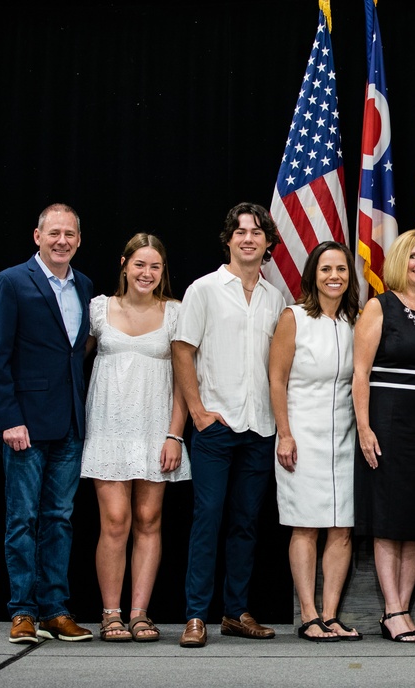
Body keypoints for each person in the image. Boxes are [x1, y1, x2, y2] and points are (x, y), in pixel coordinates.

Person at [0, 203, 94, 643]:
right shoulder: (11, 282)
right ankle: (23, 612)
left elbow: (74, 353)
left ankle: (56, 610)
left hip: (69, 423)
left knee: (60, 519)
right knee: (22, 519)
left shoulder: (84, 285)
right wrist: (9, 418)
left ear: (79, 240)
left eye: (70, 234)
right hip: (24, 425)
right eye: (54, 233)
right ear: (37, 236)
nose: (62, 240)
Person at [173, 203, 285, 648]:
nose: (248, 239)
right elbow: (183, 350)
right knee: (207, 519)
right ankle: (196, 615)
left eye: (257, 232)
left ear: (268, 243)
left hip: (259, 427)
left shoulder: (276, 299)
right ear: (229, 239)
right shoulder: (204, 289)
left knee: (246, 523)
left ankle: (235, 611)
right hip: (215, 426)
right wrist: (198, 412)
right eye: (240, 232)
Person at [81, 233, 191, 642]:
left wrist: (174, 435)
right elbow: (74, 362)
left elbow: (184, 379)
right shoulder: (97, 309)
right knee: (115, 520)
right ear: (124, 264)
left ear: (163, 272)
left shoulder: (175, 312)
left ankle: (140, 612)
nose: (146, 273)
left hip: (155, 429)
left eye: (155, 266)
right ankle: (111, 613)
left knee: (149, 519)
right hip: (108, 427)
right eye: (139, 264)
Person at [353, 230, 415, 643]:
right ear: (399, 261)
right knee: (389, 521)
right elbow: (360, 374)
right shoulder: (379, 307)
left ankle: (404, 608)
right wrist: (364, 427)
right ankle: (391, 611)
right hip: (387, 424)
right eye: (412, 256)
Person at [272, 241, 361, 642]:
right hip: (301, 436)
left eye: (341, 269)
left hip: (344, 437)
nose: (334, 277)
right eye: (326, 269)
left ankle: (330, 614)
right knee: (305, 526)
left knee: (341, 527)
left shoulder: (354, 320)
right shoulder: (294, 317)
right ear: (313, 275)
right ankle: (307, 614)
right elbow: (276, 380)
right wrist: (285, 433)